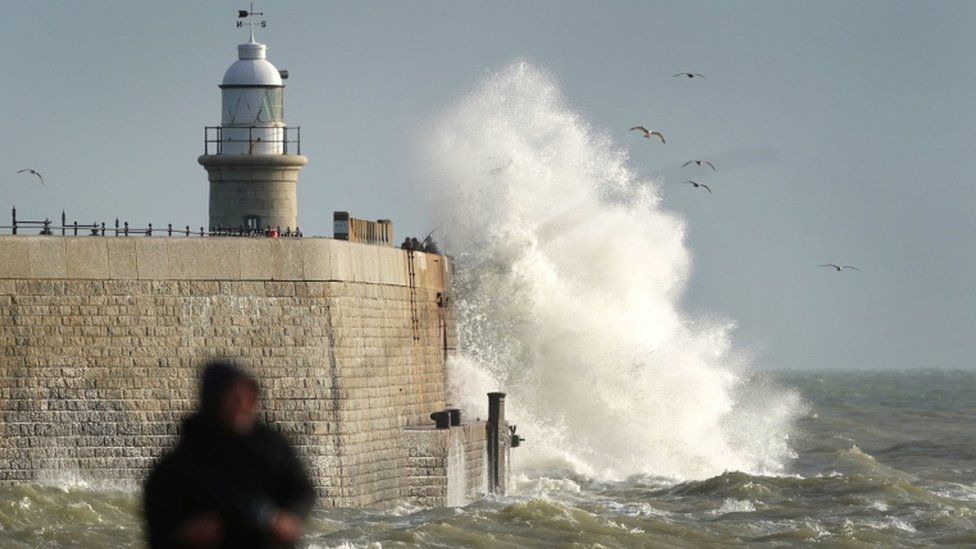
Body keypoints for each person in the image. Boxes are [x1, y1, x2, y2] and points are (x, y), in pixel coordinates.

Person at [144, 361, 315, 548]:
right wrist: (184, 535)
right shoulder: (181, 463)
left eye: (249, 398)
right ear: (215, 400)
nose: (243, 406)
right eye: (234, 399)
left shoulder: (271, 446)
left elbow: (302, 489)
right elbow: (158, 531)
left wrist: (290, 516)